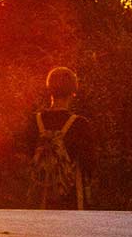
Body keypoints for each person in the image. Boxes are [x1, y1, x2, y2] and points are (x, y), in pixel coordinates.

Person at [31, 66, 94, 210]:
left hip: (39, 197)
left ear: (50, 90)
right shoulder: (80, 124)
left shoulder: (35, 122)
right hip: (70, 199)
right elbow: (89, 164)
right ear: (73, 92)